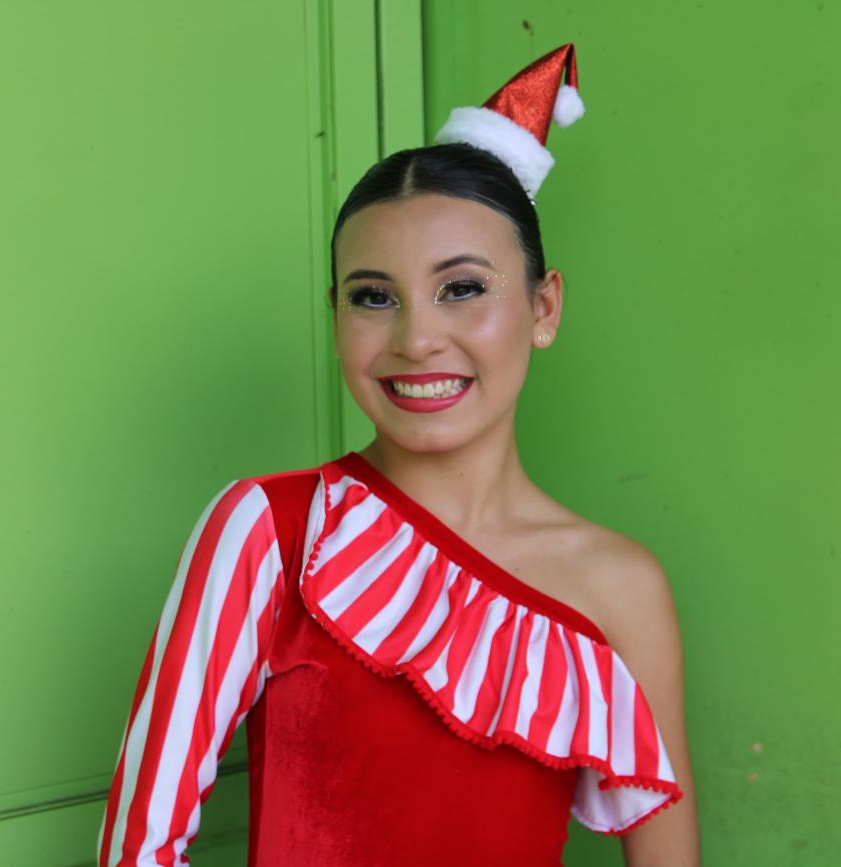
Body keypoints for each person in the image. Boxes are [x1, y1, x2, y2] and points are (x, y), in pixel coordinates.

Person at [96, 43, 700, 867]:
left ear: (544, 308)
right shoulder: (273, 529)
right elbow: (138, 844)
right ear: (336, 316)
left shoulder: (623, 588)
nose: (417, 339)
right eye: (374, 297)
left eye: (463, 288)